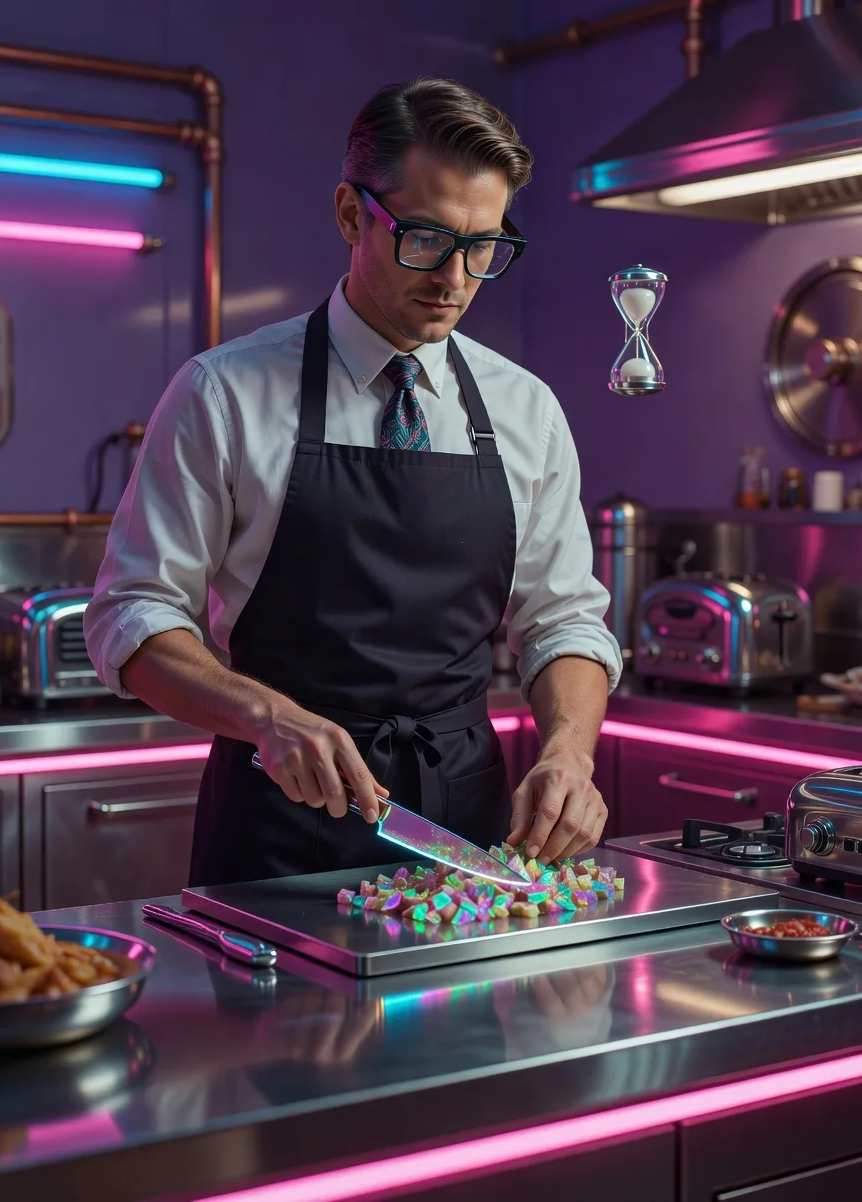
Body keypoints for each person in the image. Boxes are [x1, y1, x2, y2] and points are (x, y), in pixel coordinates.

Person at [84, 77, 622, 887]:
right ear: (350, 215)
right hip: (276, 835)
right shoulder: (222, 393)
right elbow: (132, 613)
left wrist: (569, 754)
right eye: (426, 239)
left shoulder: (527, 410)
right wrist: (265, 715)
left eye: (483, 247)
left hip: (465, 841)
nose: (455, 278)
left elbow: (563, 620)